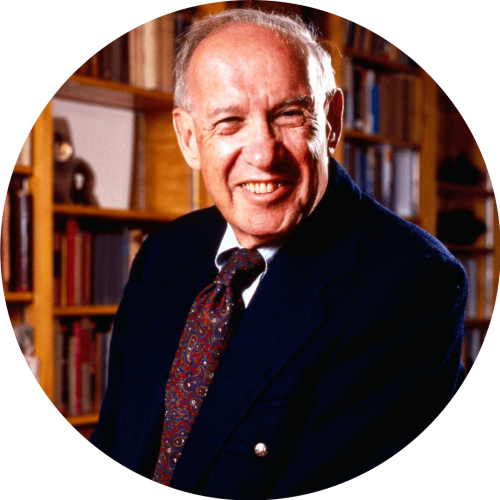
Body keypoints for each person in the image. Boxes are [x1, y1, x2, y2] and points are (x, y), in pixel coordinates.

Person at [90, 9, 467, 499]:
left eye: (289, 115)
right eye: (229, 123)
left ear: (330, 122)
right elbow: (117, 440)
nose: (264, 153)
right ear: (188, 139)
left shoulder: (412, 283)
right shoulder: (165, 253)